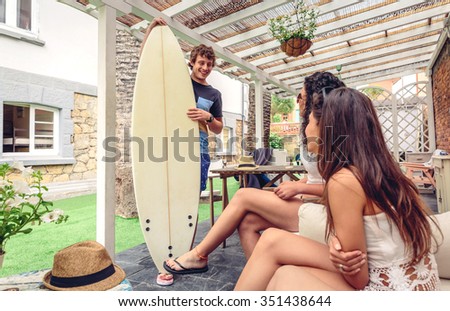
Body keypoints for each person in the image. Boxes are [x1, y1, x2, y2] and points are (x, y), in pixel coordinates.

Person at [234, 87, 441, 291]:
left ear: (326, 128)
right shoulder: (389, 173)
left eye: (308, 121)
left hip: (390, 291)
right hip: (421, 282)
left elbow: (358, 279)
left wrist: (340, 256)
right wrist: (336, 243)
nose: (305, 129)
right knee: (271, 239)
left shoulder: (344, 182)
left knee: (283, 274)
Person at [163, 72, 345, 275]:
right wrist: (300, 184)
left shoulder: (332, 133)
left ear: (314, 99)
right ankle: (263, 279)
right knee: (248, 222)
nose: (297, 100)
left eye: (300, 96)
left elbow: (345, 186)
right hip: (309, 198)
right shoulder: (310, 129)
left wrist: (299, 187)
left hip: (326, 207)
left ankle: (199, 255)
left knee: (242, 194)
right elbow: (318, 175)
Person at [140, 17, 223, 192]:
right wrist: (151, 28)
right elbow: (146, 62)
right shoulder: (177, 81)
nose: (205, 67)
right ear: (192, 62)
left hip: (199, 147)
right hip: (172, 142)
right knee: (170, 191)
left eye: (209, 64)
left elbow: (218, 128)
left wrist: (208, 117)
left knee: (193, 194)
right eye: (201, 62)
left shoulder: (214, 94)